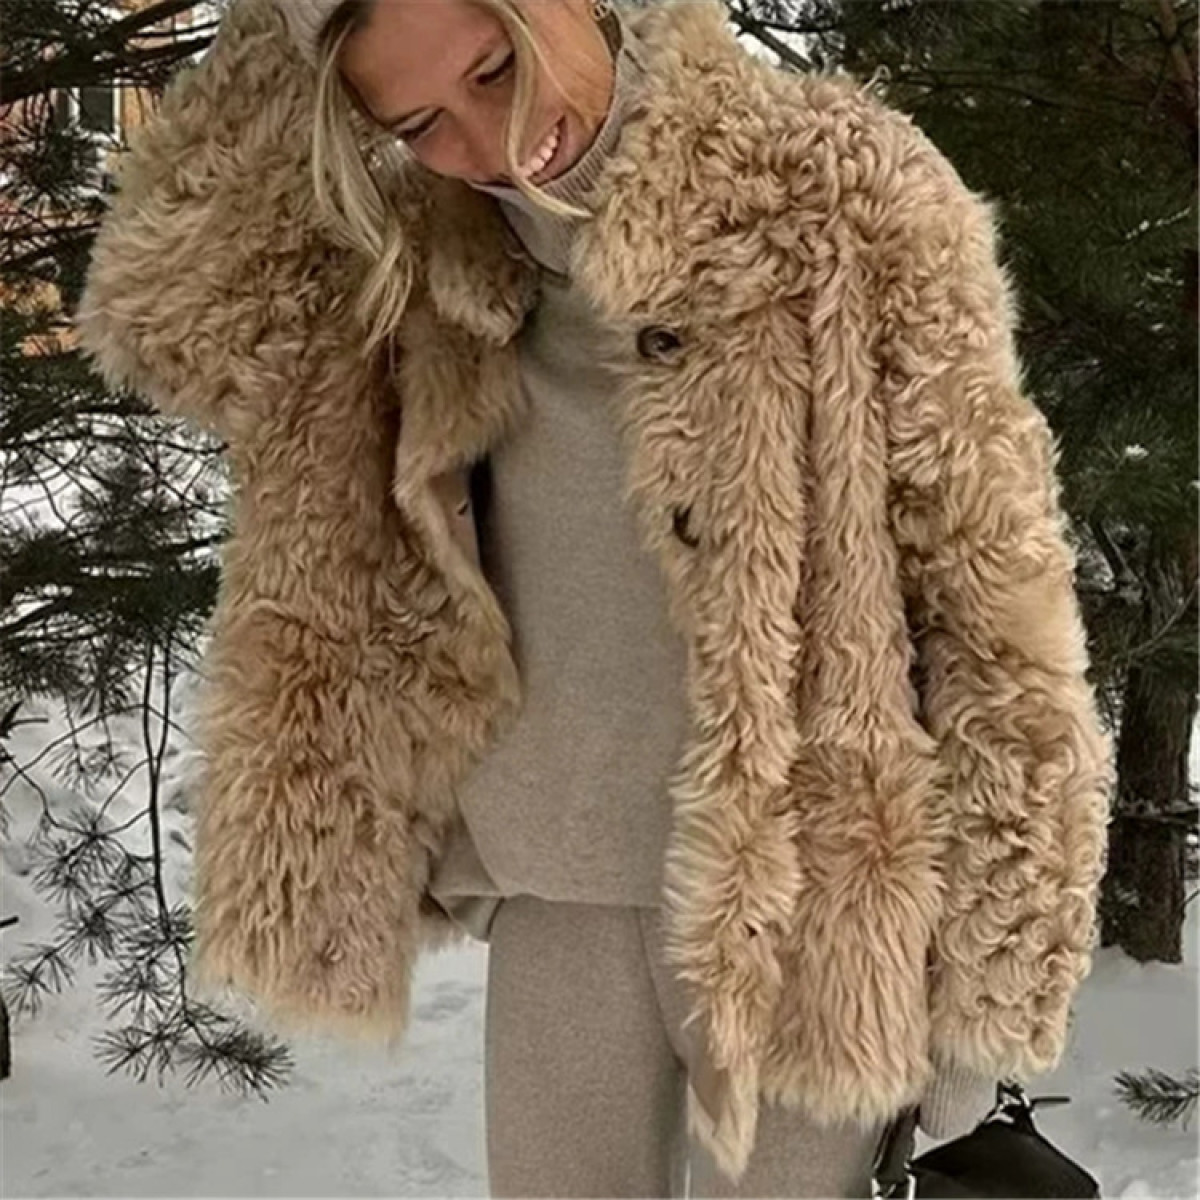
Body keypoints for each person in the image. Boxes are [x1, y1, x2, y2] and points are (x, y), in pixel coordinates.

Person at [75, 0, 1114, 1196]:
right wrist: (287, 20)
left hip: (814, 905)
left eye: (494, 68)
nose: (488, 140)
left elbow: (993, 600)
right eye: (418, 122)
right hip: (554, 876)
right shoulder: (415, 261)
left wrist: (994, 988)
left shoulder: (834, 190)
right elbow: (167, 315)